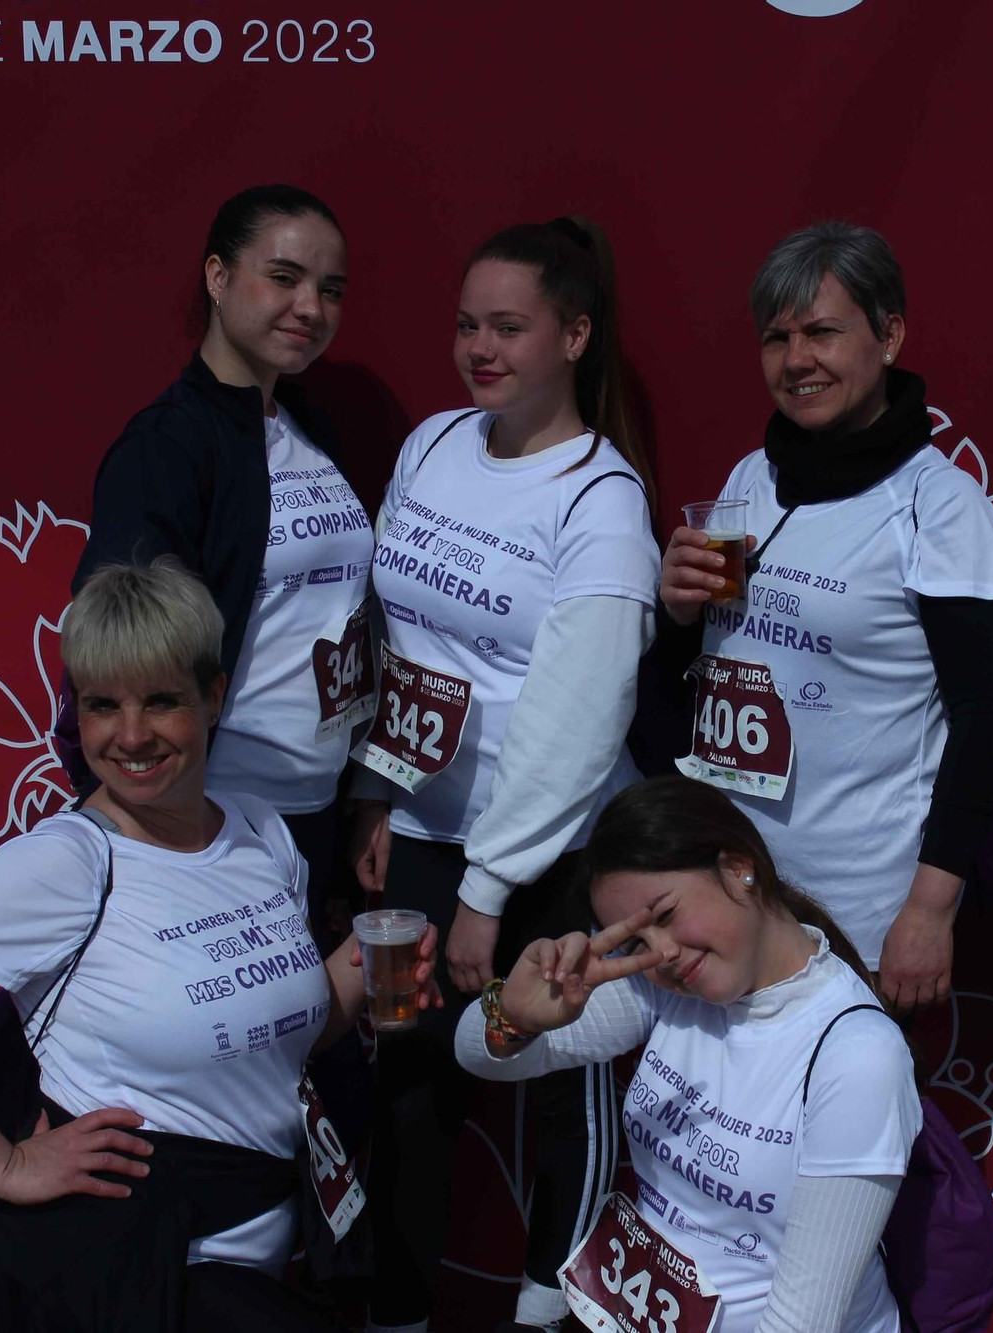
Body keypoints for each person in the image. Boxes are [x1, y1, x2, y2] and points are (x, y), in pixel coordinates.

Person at [0, 558, 439, 1330]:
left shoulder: (260, 832)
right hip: (105, 1271)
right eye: (102, 704)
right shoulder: (71, 863)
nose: (132, 734)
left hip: (258, 1255)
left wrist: (356, 973)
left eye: (161, 700)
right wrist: (6, 1165)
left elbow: (285, 1036)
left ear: (214, 698)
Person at [347, 217, 660, 1333]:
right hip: (425, 834)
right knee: (412, 1077)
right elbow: (395, 637)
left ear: (574, 334)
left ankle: (552, 1313)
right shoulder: (432, 441)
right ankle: (394, 1308)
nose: (479, 348)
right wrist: (378, 790)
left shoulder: (601, 503)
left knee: (564, 1088)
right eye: (466, 323)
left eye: (509, 327)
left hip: (552, 852)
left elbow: (577, 723)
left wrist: (488, 887)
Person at [653, 221, 993, 1013]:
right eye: (776, 338)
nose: (796, 361)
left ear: (889, 335)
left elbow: (987, 727)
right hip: (725, 881)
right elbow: (711, 664)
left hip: (854, 902)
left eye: (822, 332)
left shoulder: (940, 508)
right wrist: (677, 611)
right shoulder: (751, 476)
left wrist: (928, 909)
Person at [456, 775, 921, 1333]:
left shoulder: (857, 1055)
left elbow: (801, 1323)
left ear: (738, 869)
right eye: (635, 943)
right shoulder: (666, 989)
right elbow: (477, 1053)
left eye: (666, 915)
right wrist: (519, 1016)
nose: (664, 955)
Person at [72, 183, 369, 949]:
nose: (310, 306)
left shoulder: (313, 427)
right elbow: (120, 654)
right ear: (215, 276)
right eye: (283, 277)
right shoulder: (167, 448)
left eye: (330, 289)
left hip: (313, 814)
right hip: (212, 817)